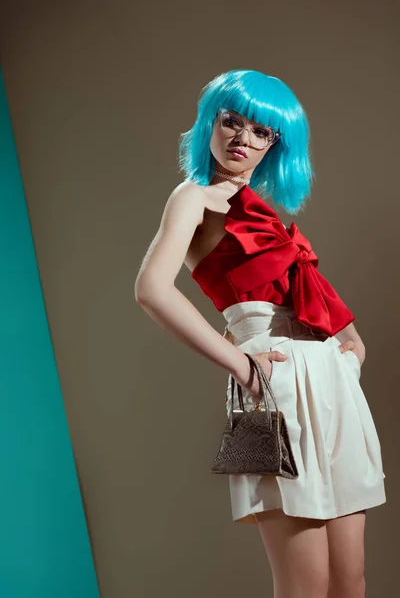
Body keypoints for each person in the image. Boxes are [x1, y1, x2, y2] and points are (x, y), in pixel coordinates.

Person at [135, 69, 386, 598]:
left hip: (331, 387)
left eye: (261, 132)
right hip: (269, 389)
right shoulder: (193, 196)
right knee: (305, 586)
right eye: (232, 121)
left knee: (351, 581)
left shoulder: (269, 215)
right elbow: (151, 290)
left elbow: (323, 307)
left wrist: (350, 357)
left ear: (276, 144)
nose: (242, 139)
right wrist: (243, 367)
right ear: (212, 122)